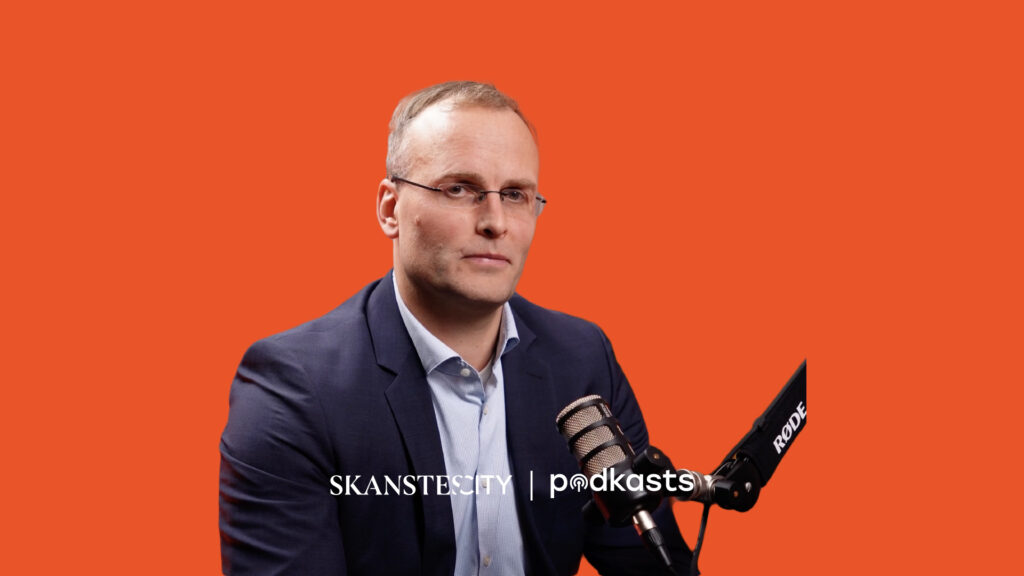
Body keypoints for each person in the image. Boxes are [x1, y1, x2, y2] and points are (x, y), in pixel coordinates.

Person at [219, 81, 692, 575]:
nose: (495, 222)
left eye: (514, 194)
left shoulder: (580, 359)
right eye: (459, 189)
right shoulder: (294, 389)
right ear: (390, 209)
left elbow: (652, 564)